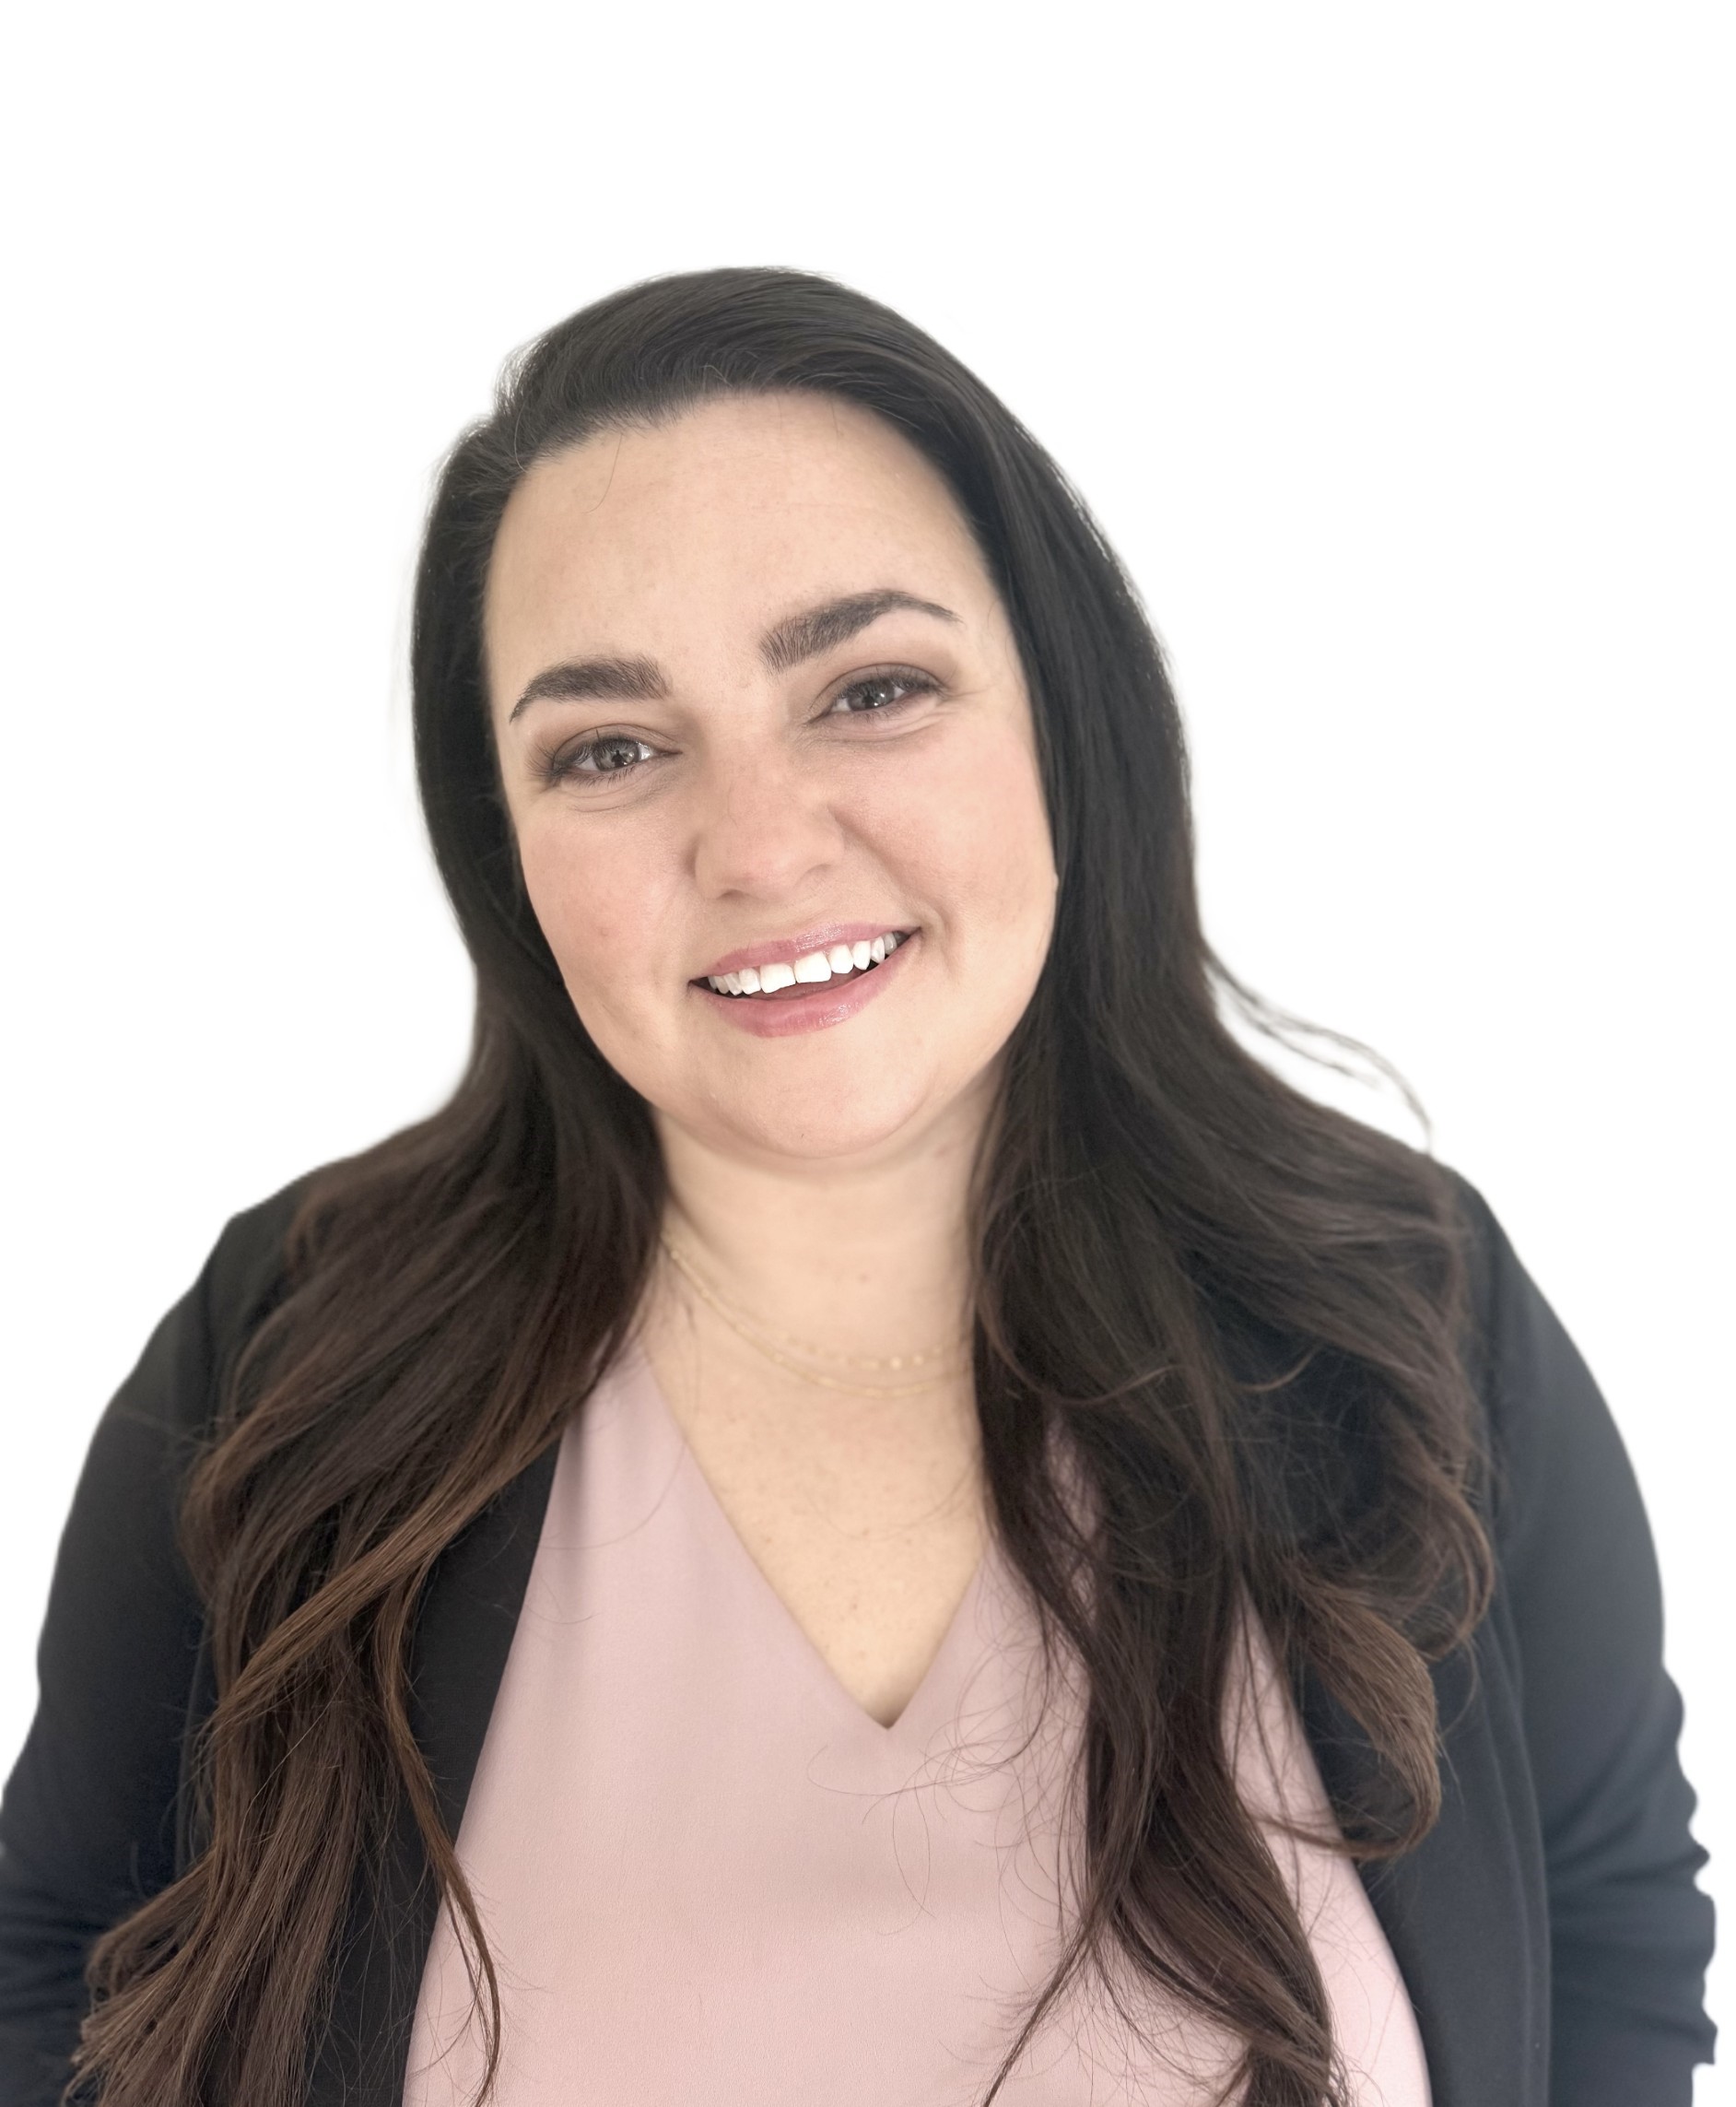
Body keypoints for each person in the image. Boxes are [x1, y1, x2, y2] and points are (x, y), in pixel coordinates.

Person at [0, 268, 1714, 2107]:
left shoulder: (1408, 1317)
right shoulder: (292, 1352)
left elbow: (1612, 1933)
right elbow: (50, 1969)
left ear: (1063, 715)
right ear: (504, 847)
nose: (756, 842)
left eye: (871, 689)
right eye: (612, 748)